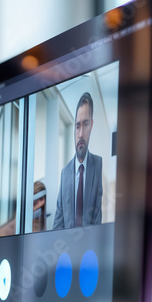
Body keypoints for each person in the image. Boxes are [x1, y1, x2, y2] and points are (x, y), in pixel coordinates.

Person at [53, 92, 102, 229]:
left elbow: (97, 222)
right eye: (77, 126)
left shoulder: (98, 165)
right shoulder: (64, 173)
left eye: (85, 124)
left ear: (91, 125)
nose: (80, 134)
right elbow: (58, 223)